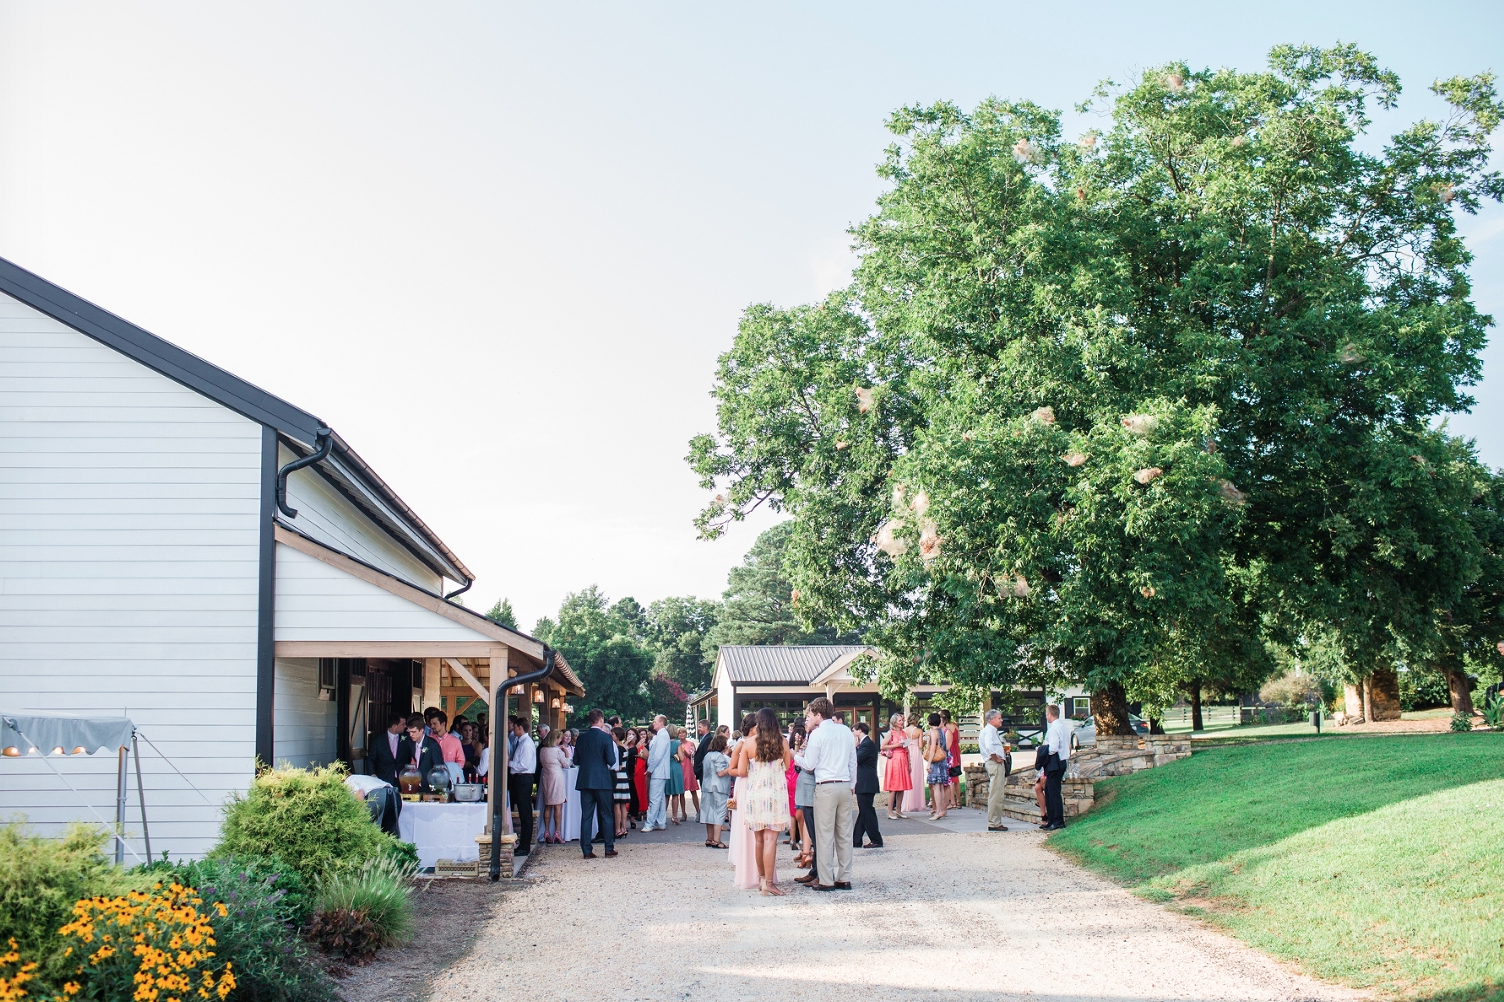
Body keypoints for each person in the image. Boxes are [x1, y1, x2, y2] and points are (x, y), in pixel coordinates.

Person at [795, 697, 855, 892]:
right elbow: (852, 761)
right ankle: (844, 878)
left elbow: (810, 764)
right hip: (844, 784)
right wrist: (852, 783)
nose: (809, 718)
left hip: (825, 785)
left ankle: (827, 879)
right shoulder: (845, 730)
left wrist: (794, 756)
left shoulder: (818, 734)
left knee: (824, 834)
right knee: (844, 834)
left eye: (811, 714)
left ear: (819, 715)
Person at [731, 707, 792, 896]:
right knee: (771, 839)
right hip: (775, 794)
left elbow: (741, 772)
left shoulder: (748, 744)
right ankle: (770, 883)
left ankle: (762, 880)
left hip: (755, 794)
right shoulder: (782, 742)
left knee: (758, 839)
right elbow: (787, 766)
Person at [573, 709, 618, 859]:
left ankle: (586, 850)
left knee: (586, 816)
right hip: (602, 780)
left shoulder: (581, 738)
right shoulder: (606, 738)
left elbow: (576, 760)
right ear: (601, 720)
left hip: (585, 780)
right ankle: (608, 848)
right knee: (606, 814)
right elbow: (611, 760)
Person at [727, 713, 761, 890]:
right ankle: (746, 866)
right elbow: (731, 769)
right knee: (745, 826)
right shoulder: (741, 744)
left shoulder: (763, 743)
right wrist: (746, 771)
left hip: (759, 784)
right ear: (754, 727)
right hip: (746, 784)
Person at [978, 708, 1011, 832]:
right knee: (996, 793)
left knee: (997, 792)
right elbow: (989, 745)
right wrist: (995, 757)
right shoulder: (990, 731)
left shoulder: (991, 731)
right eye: (999, 718)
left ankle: (995, 820)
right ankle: (994, 822)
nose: (1001, 720)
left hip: (995, 762)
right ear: (992, 719)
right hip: (994, 764)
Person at [508, 716, 537, 856]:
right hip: (520, 779)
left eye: (515, 727)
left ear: (520, 728)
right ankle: (523, 845)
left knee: (525, 813)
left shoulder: (526, 744)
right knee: (523, 811)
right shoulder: (521, 742)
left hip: (524, 778)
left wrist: (510, 763)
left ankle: (525, 846)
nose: (513, 730)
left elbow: (524, 765)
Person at [852, 722, 883, 848]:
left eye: (853, 730)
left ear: (859, 730)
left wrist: (854, 747)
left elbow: (856, 759)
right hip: (865, 782)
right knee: (864, 811)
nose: (853, 733)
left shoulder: (867, 744)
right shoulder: (865, 744)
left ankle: (876, 839)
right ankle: (856, 840)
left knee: (867, 811)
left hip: (866, 782)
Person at [1041, 704, 1071, 830]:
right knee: (1049, 791)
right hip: (1063, 760)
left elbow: (1053, 748)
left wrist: (1042, 752)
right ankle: (1052, 819)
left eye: (1046, 714)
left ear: (1049, 714)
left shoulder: (1053, 729)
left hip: (1055, 762)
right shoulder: (1064, 728)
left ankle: (1057, 820)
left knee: (1053, 793)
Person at [699, 734, 731, 848]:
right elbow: (720, 772)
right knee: (720, 812)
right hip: (719, 787)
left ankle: (710, 838)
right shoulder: (719, 757)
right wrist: (731, 768)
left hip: (707, 786)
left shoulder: (707, 755)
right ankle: (717, 840)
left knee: (709, 812)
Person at [538, 730, 569, 845]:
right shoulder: (557, 751)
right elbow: (566, 764)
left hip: (546, 777)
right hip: (557, 777)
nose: (560, 740)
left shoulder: (543, 750)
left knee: (548, 805)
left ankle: (546, 831)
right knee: (558, 805)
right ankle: (557, 832)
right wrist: (566, 752)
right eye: (559, 738)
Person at [397, 714, 444, 790]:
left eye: (413, 732)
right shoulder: (410, 742)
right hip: (414, 784)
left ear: (421, 730)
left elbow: (438, 768)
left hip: (429, 786)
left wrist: (437, 788)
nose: (411, 734)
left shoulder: (432, 745)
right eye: (409, 731)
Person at [881, 713, 912, 820]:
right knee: (893, 787)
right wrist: (896, 745)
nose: (901, 722)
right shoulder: (891, 733)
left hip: (903, 759)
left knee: (902, 787)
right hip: (894, 760)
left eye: (902, 720)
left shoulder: (904, 733)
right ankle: (890, 811)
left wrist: (909, 763)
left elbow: (907, 749)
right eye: (899, 720)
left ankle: (899, 809)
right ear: (894, 722)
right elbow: (883, 746)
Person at [644, 715, 673, 831]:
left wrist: (650, 769)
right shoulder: (661, 735)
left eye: (655, 722)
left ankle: (649, 823)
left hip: (658, 771)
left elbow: (657, 755)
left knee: (654, 798)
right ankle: (661, 822)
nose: (653, 723)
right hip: (660, 771)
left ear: (661, 723)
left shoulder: (662, 735)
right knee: (660, 798)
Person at [923, 712, 950, 820]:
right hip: (942, 760)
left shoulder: (933, 732)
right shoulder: (941, 731)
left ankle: (938, 811)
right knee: (941, 787)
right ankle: (942, 810)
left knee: (936, 787)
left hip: (936, 762)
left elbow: (933, 748)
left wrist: (929, 763)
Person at [369, 713, 406, 787]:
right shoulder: (378, 740)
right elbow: (371, 759)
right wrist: (372, 774)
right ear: (395, 726)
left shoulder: (407, 738)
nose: (405, 726)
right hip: (384, 777)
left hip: (403, 778)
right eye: (403, 724)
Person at [432, 710, 466, 785]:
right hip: (432, 779)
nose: (432, 726)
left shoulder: (455, 741)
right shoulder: (428, 740)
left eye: (434, 724)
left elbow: (461, 761)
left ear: (443, 724)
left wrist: (451, 768)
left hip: (450, 779)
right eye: (431, 724)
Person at [904, 714, 927, 813]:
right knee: (916, 776)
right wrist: (925, 741)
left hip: (908, 752)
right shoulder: (919, 731)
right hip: (916, 753)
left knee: (908, 776)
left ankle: (907, 803)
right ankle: (917, 803)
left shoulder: (904, 731)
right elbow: (921, 745)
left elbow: (905, 744)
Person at [612, 727, 632, 838]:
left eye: (613, 734)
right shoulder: (625, 748)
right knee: (623, 805)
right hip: (624, 776)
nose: (612, 736)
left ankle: (618, 829)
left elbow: (618, 766)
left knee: (617, 805)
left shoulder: (618, 748)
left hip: (618, 776)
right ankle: (624, 827)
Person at [665, 725, 687, 824]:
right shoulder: (677, 743)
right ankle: (674, 816)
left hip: (666, 767)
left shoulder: (664, 743)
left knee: (666, 794)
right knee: (675, 793)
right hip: (675, 767)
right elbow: (682, 758)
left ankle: (662, 816)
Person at [940, 708, 963, 800]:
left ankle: (952, 801)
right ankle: (959, 801)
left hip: (950, 752)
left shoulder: (945, 728)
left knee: (950, 777)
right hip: (956, 750)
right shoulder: (955, 725)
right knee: (956, 776)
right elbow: (958, 739)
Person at [679, 726, 700, 819]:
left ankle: (698, 811)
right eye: (680, 733)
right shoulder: (677, 744)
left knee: (693, 790)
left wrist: (687, 754)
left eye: (683, 732)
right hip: (680, 767)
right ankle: (683, 813)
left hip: (688, 767)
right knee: (681, 792)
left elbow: (694, 755)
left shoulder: (690, 743)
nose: (681, 734)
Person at [624, 729, 642, 823]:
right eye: (629, 734)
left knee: (634, 797)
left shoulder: (638, 746)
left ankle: (632, 817)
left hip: (635, 773)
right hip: (625, 772)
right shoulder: (624, 746)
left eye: (633, 734)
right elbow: (625, 754)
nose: (631, 736)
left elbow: (646, 755)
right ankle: (624, 816)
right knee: (624, 796)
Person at [692, 718, 713, 787]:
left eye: (700, 727)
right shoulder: (704, 738)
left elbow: (706, 755)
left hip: (704, 771)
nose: (698, 729)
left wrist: (701, 768)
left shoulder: (708, 739)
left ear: (706, 727)